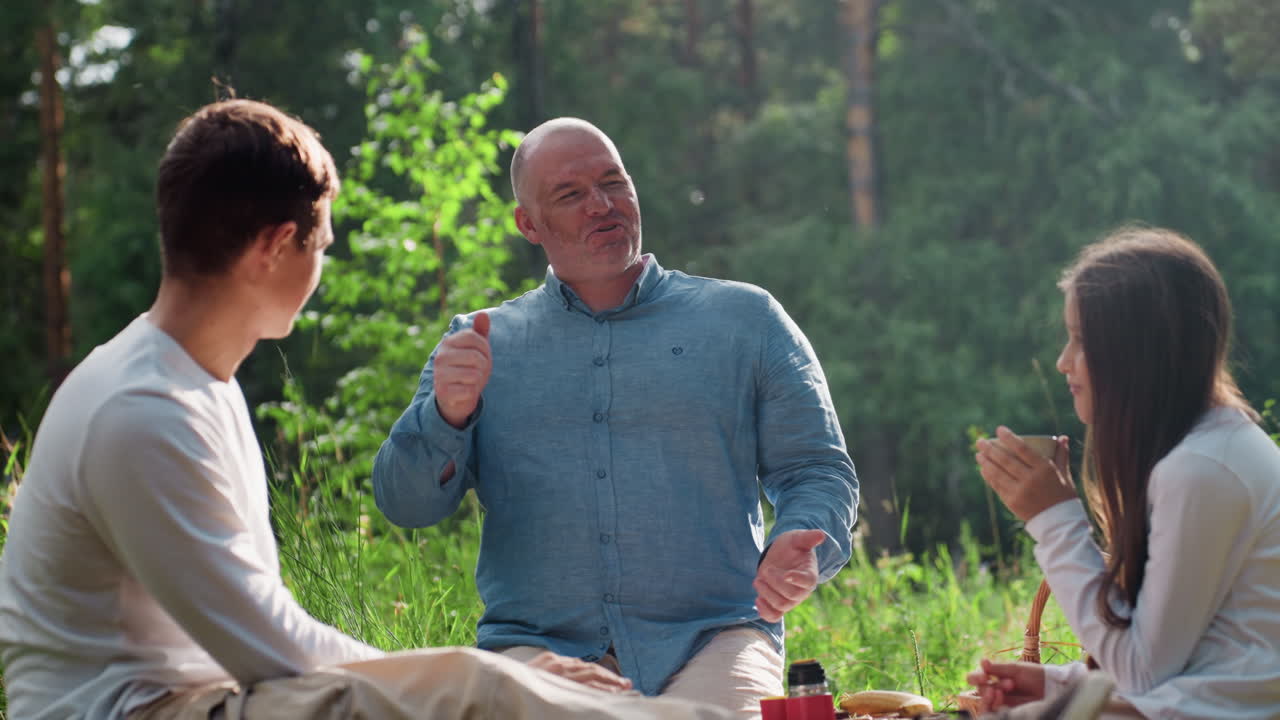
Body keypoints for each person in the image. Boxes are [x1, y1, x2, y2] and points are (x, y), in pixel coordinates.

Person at [0, 100, 732, 720]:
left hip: (202, 695)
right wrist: (499, 680)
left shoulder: (193, 381)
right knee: (480, 688)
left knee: (489, 684)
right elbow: (275, 651)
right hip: (139, 711)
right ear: (276, 246)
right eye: (321, 242)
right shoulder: (142, 410)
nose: (322, 264)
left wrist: (509, 679)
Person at [372, 117, 858, 714]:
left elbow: (818, 469)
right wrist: (448, 415)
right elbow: (405, 504)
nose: (601, 205)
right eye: (570, 195)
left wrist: (802, 543)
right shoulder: (480, 342)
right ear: (529, 223)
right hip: (537, 652)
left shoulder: (746, 320)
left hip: (716, 639)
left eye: (612, 182)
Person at [969, 227, 1280, 719]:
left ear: (1138, 354)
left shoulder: (1203, 470)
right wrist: (1061, 683)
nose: (1061, 363)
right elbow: (1200, 654)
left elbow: (1144, 671)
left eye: (1080, 341)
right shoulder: (1207, 452)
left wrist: (1053, 519)